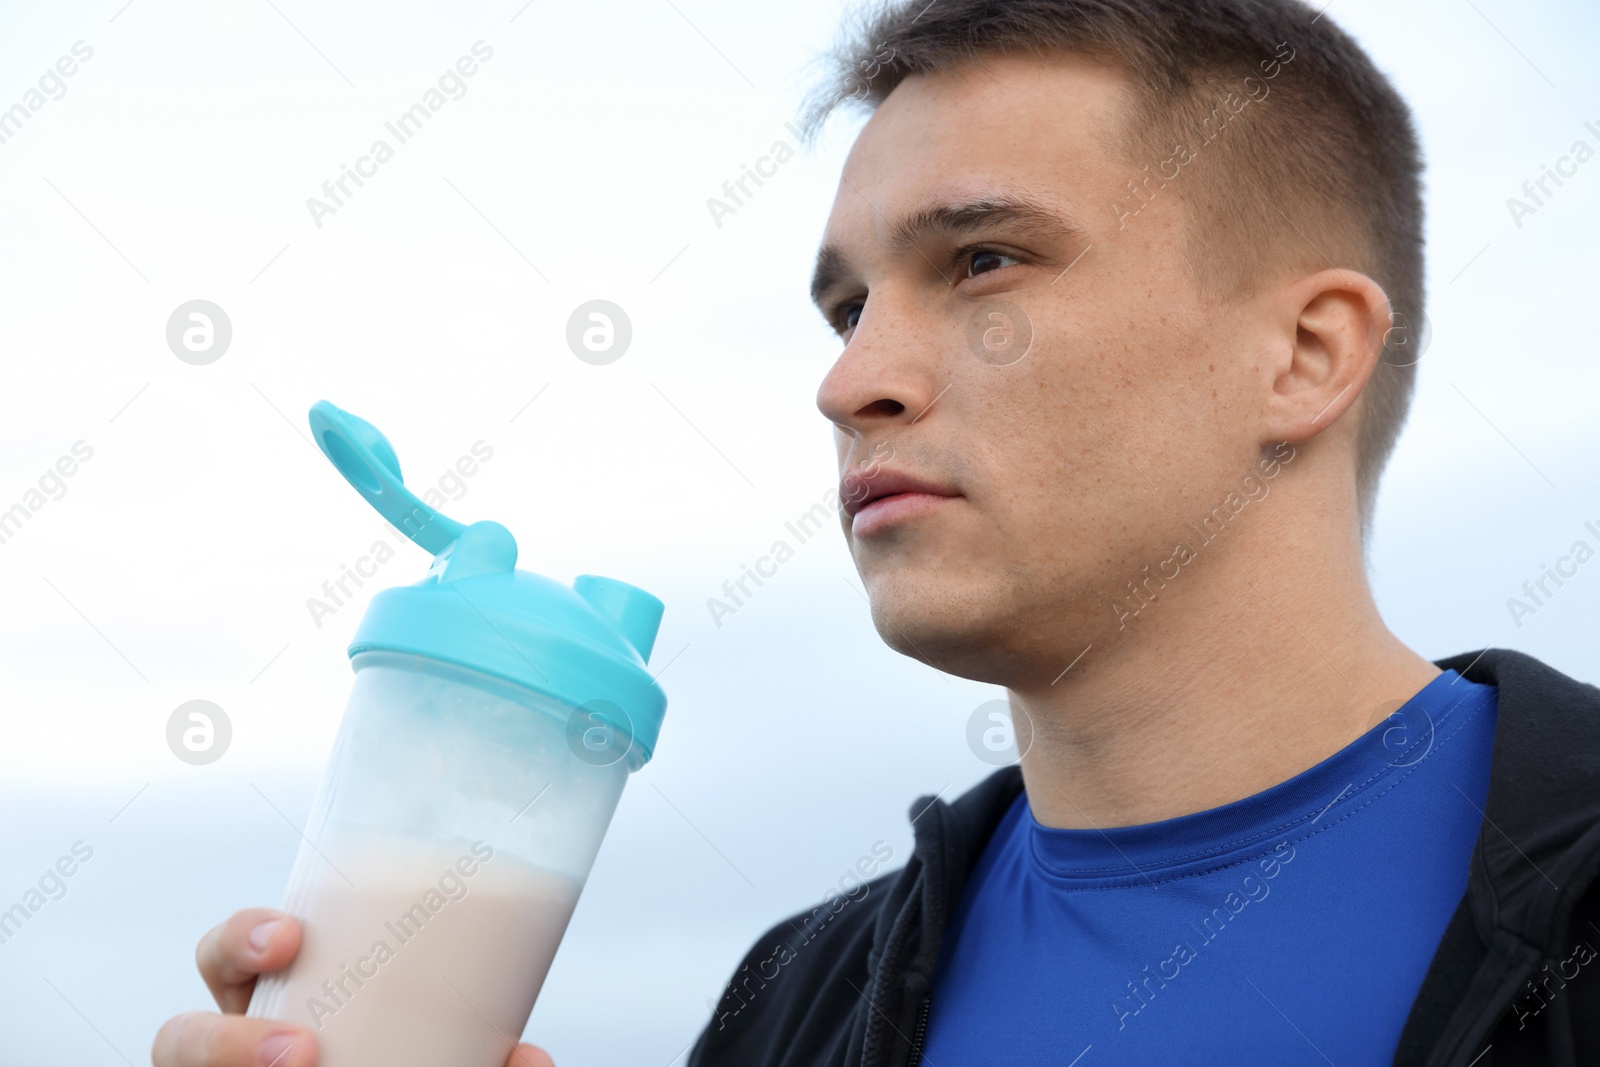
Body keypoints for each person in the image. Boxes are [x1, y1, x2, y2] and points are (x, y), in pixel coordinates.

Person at [153, 1, 1600, 1064]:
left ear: (1304, 354)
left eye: (982, 262)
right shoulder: (797, 1005)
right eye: (850, 306)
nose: (853, 381)